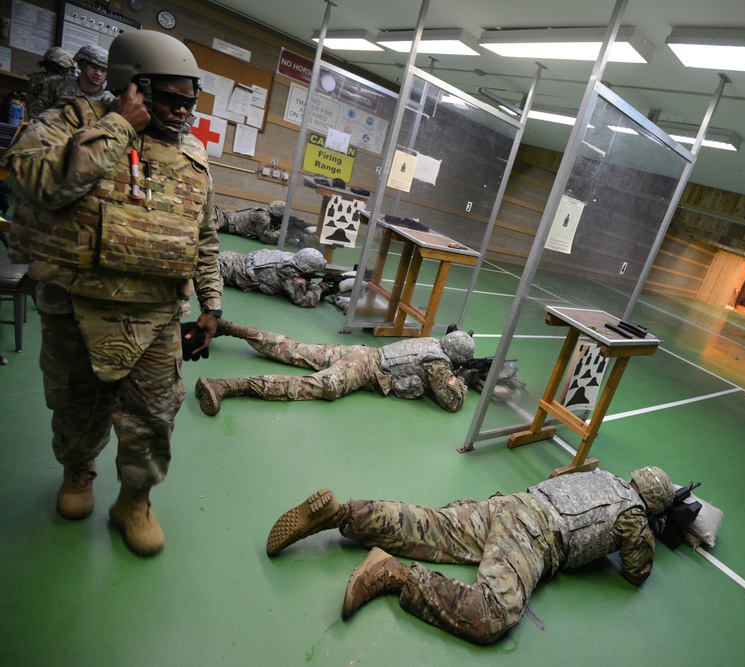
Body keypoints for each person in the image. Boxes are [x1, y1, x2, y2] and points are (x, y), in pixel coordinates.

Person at [0, 31, 223, 556]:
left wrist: (211, 304)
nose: (183, 113)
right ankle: (78, 474)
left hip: (158, 312)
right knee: (76, 404)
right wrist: (119, 126)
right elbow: (33, 180)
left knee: (155, 415)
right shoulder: (71, 124)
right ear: (132, 87)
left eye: (189, 101)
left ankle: (135, 501)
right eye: (170, 99)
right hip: (76, 303)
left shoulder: (191, 152)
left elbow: (204, 235)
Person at [264, 466, 675, 644]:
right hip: (535, 536)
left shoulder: (601, 476)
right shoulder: (634, 517)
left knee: (427, 525)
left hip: (511, 505)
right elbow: (636, 572)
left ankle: (343, 514)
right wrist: (650, 529)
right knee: (495, 612)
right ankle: (395, 575)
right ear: (653, 502)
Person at [194, 323, 475, 415]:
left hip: (363, 352)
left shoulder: (433, 342)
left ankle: (233, 328)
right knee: (316, 386)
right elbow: (452, 401)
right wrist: (460, 378)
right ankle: (226, 386)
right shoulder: (438, 363)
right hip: (365, 367)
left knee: (295, 349)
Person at [218, 246, 333, 308]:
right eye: (314, 271)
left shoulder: (293, 259)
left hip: (233, 258)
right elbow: (303, 300)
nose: (314, 274)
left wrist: (310, 283)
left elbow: (302, 280)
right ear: (307, 268)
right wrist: (320, 288)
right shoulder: (289, 272)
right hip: (228, 269)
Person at [29, 44, 115, 117]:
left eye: (103, 70)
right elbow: (36, 117)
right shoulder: (56, 84)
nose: (98, 73)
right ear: (80, 65)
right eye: (93, 67)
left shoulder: (109, 101)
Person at [27, 46, 75, 120]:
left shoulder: (36, 78)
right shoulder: (56, 81)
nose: (70, 72)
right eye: (69, 69)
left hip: (35, 122)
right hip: (47, 125)